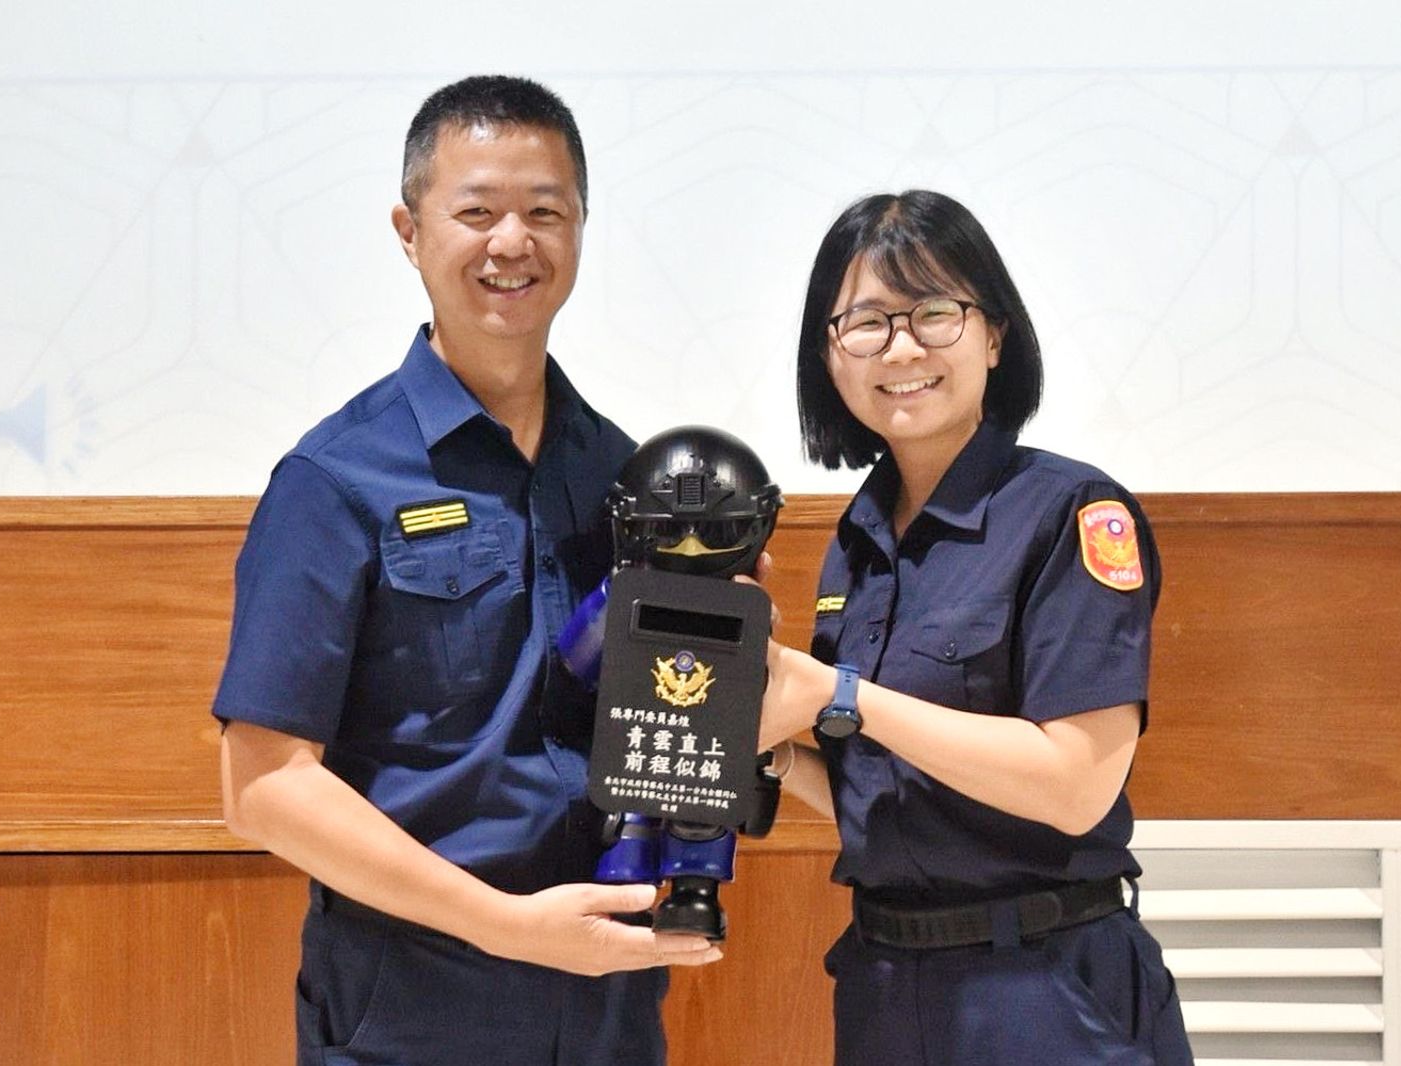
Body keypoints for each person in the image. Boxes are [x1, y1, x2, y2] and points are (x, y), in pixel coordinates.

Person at [213, 75, 720, 1066]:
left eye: (545, 212)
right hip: (411, 998)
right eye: (477, 212)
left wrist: (731, 673)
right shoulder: (335, 479)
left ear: (581, 229)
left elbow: (656, 714)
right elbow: (263, 785)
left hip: (608, 992)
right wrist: (504, 925)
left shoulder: (624, 474)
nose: (512, 243)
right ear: (410, 232)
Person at [757, 190, 1195, 1065]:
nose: (902, 347)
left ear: (994, 335)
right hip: (884, 985)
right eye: (867, 322)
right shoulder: (856, 540)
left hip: (1043, 987)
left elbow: (1076, 786)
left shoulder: (1072, 512)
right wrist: (765, 751)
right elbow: (887, 795)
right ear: (829, 356)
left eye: (934, 313)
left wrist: (838, 695)